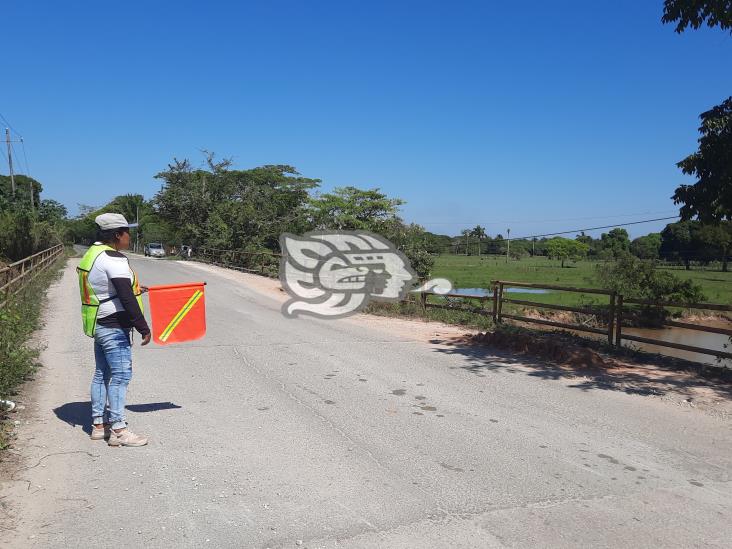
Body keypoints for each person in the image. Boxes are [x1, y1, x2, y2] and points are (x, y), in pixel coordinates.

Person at [77, 213, 151, 447]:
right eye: (127, 232)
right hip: (114, 326)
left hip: (99, 323)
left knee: (102, 374)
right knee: (120, 377)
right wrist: (142, 326)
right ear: (117, 235)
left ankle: (99, 425)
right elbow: (125, 296)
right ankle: (119, 429)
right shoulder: (114, 258)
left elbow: (109, 287)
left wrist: (137, 288)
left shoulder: (93, 254)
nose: (130, 236)